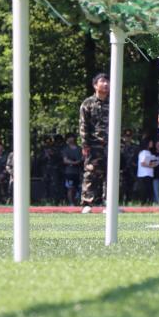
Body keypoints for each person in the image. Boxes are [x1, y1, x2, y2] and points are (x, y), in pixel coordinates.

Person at [78, 72, 109, 213]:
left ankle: (109, 202)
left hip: (110, 145)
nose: (106, 84)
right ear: (95, 85)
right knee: (90, 173)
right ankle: (87, 203)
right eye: (102, 81)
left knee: (111, 173)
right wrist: (85, 144)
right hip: (94, 144)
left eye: (107, 81)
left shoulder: (113, 102)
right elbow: (83, 125)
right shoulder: (88, 103)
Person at [135, 137, 159, 203]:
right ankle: (144, 202)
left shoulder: (148, 152)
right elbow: (143, 163)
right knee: (144, 191)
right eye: (150, 142)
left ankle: (148, 202)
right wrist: (151, 165)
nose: (152, 143)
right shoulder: (143, 152)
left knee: (148, 190)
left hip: (149, 174)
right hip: (144, 175)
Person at [60, 133, 82, 206]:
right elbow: (65, 160)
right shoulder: (65, 149)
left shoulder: (79, 149)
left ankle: (78, 202)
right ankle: (71, 203)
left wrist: (79, 162)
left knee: (79, 187)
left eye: (72, 137)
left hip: (78, 172)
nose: (70, 139)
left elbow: (82, 158)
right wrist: (75, 162)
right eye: (69, 137)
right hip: (69, 172)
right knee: (70, 188)